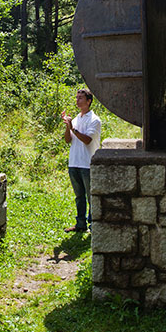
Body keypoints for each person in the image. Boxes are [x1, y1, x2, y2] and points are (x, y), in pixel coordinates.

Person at [61, 88, 101, 233]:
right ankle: (80, 224)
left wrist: (74, 129)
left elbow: (87, 140)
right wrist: (68, 127)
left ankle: (93, 225)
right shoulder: (76, 119)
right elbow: (67, 140)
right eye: (77, 97)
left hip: (87, 163)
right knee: (79, 197)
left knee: (91, 197)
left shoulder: (95, 120)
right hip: (74, 162)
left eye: (80, 98)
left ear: (89, 101)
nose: (77, 100)